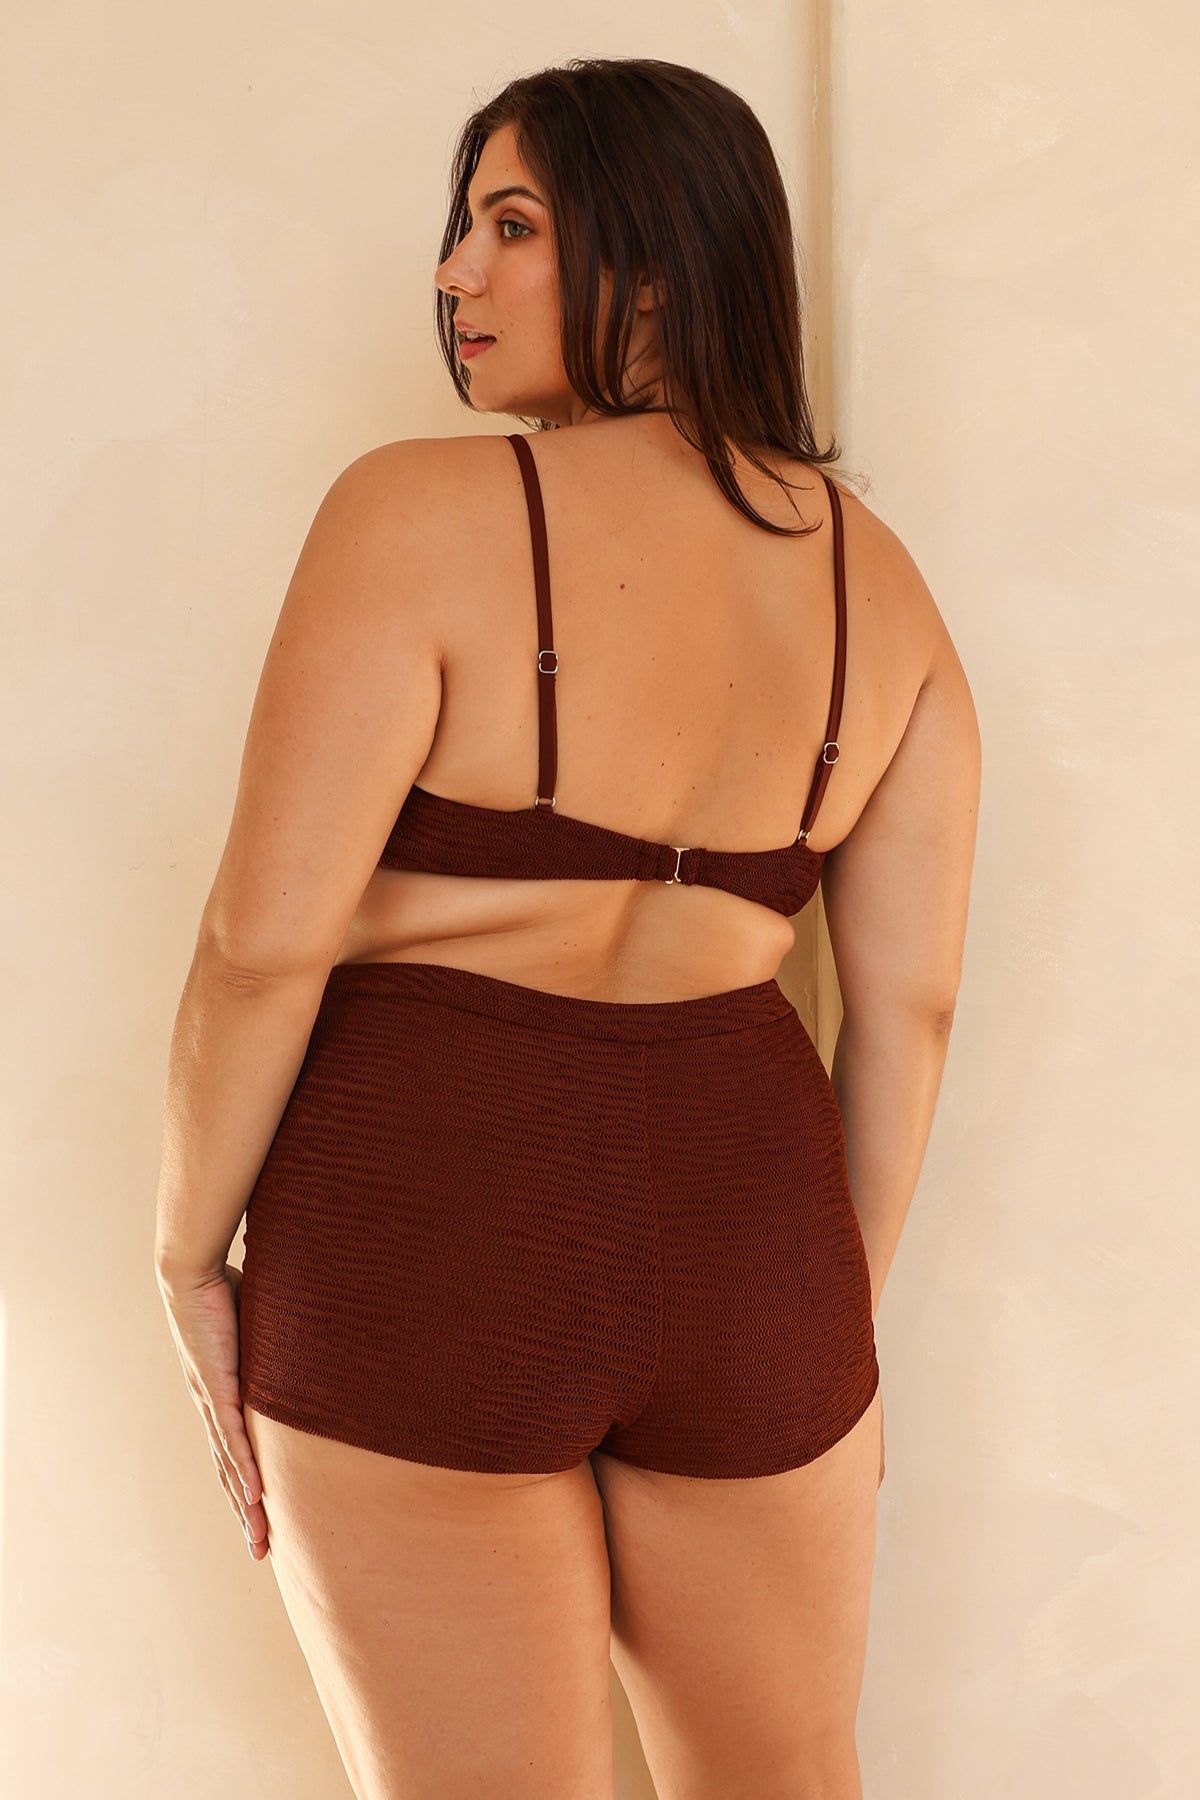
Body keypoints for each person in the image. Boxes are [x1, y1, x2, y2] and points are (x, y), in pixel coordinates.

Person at [154, 56, 980, 1800]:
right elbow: (908, 1013)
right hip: (758, 1230)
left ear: (659, 264)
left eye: (512, 226)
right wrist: (821, 1316)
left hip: (422, 1221)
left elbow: (262, 943)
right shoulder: (889, 592)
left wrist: (185, 1255)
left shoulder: (412, 513)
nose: (453, 272)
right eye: (463, 227)